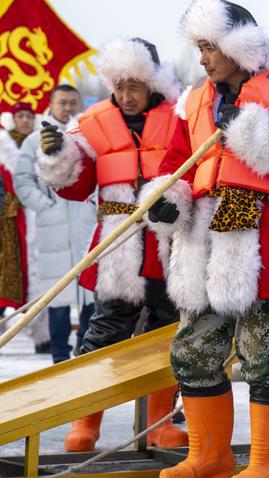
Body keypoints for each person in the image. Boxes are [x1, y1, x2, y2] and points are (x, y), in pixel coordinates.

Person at [147, 0, 269, 478]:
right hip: (202, 240)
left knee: (263, 354)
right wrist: (169, 199)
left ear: (237, 46)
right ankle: (209, 456)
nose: (202, 58)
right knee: (193, 350)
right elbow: (176, 163)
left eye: (210, 47)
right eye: (199, 48)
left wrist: (254, 131)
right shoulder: (193, 100)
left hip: (264, 242)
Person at [37, 39, 188, 452]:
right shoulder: (93, 122)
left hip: (167, 240)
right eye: (119, 86)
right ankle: (84, 422)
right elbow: (76, 184)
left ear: (152, 83)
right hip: (118, 239)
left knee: (167, 330)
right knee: (105, 330)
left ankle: (160, 423)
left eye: (134, 86)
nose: (125, 96)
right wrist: (58, 157)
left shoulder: (180, 117)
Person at [15, 85, 96, 363]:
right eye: (63, 103)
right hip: (52, 227)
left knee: (89, 292)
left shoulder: (87, 136)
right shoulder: (35, 140)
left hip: (85, 222)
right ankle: (59, 357)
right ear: (51, 104)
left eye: (73, 102)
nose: (68, 108)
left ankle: (84, 353)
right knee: (58, 295)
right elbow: (22, 180)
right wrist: (43, 205)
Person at [0, 104, 31, 314]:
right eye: (21, 116)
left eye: (29, 116)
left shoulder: (39, 143)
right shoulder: (3, 144)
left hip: (34, 213)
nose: (25, 120)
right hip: (7, 214)